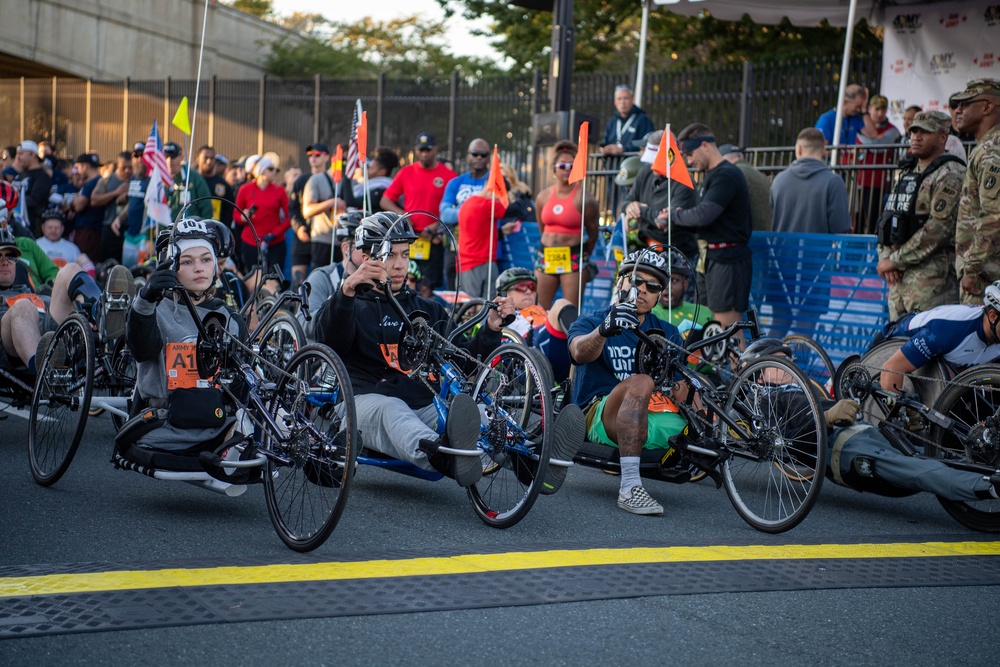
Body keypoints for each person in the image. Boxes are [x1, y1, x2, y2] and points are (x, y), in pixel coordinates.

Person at [314, 212, 511, 487]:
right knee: (392, 409)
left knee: (473, 408)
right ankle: (444, 456)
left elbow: (464, 363)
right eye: (391, 255)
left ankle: (528, 457)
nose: (399, 265)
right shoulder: (350, 303)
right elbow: (328, 344)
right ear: (368, 257)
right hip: (362, 406)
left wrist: (491, 329)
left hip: (422, 406)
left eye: (405, 255)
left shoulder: (429, 309)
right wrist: (347, 291)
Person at [568, 250, 684, 515]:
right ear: (619, 283)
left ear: (659, 295)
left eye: (651, 286)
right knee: (641, 382)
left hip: (652, 411)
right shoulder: (592, 320)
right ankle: (630, 487)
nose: (641, 289)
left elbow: (681, 389)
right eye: (634, 281)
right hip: (597, 414)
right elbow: (578, 352)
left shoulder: (669, 333)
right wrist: (603, 331)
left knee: (695, 416)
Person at [122, 218, 246, 466]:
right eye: (187, 262)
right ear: (171, 267)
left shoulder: (230, 319)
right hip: (163, 425)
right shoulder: (155, 310)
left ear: (216, 267)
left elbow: (240, 385)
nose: (199, 268)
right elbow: (141, 349)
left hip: (217, 425)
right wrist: (145, 299)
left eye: (206, 259)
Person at [875, 110, 965, 319]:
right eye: (914, 131)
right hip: (899, 280)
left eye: (925, 132)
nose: (916, 137)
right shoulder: (908, 172)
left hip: (932, 282)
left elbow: (937, 230)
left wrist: (895, 261)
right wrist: (886, 258)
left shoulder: (950, 173)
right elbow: (888, 219)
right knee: (895, 343)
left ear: (942, 137)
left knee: (926, 345)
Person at [670, 124, 752, 330]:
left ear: (705, 145)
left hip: (728, 260)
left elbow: (703, 216)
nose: (689, 161)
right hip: (711, 258)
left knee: (728, 329)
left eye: (690, 154)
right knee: (708, 326)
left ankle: (740, 364)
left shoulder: (726, 175)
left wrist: (674, 215)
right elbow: (705, 222)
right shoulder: (712, 175)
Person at [875, 283, 1000, 393]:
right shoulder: (950, 328)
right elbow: (891, 368)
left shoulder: (994, 332)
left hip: (948, 369)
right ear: (993, 316)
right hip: (888, 353)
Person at [380, 132, 457, 297]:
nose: (424, 154)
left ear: (435, 149)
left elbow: (455, 208)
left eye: (428, 150)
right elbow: (385, 200)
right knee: (406, 280)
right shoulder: (406, 172)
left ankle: (425, 319)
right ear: (415, 150)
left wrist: (436, 225)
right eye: (421, 150)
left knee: (428, 286)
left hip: (433, 239)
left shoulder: (449, 176)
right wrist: (404, 216)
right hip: (409, 238)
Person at [534, 140, 600, 309]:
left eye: (572, 165)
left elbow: (593, 233)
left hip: (573, 258)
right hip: (547, 256)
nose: (567, 169)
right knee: (539, 309)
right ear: (554, 168)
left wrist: (581, 254)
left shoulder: (586, 198)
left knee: (570, 311)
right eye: (562, 165)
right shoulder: (543, 196)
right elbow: (542, 228)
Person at [953, 78, 1000, 304]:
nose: (957, 110)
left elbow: (994, 216)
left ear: (987, 106)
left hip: (988, 277)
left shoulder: (994, 148)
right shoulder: (986, 145)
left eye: (965, 103)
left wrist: (972, 269)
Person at [620, 130, 697, 261]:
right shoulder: (645, 171)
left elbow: (665, 223)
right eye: (651, 161)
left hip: (676, 255)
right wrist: (630, 207)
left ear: (670, 158)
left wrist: (641, 210)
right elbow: (627, 201)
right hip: (644, 248)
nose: (652, 166)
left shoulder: (685, 183)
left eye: (656, 161)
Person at [496, 266, 578, 384]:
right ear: (505, 294)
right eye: (521, 287)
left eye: (532, 287)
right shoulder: (503, 320)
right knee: (562, 304)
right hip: (530, 358)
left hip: (560, 350)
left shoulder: (549, 313)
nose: (528, 291)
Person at [302, 211, 365, 342]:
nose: (371, 252)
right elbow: (304, 324)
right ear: (347, 248)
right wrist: (335, 309)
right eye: (364, 246)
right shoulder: (322, 278)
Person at [441, 139, 492, 291]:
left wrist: (464, 211)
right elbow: (445, 214)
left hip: (484, 250)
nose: (479, 158)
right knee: (454, 294)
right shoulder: (456, 183)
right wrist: (473, 212)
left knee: (483, 300)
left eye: (483, 155)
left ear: (488, 157)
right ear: (468, 155)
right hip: (455, 246)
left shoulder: (493, 182)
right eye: (475, 154)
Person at [855, 95, 903, 234]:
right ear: (869, 109)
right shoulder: (860, 127)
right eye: (876, 109)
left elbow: (878, 146)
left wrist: (860, 136)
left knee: (873, 222)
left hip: (878, 184)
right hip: (857, 182)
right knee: (855, 223)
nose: (880, 113)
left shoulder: (892, 130)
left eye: (883, 109)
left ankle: (872, 253)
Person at [233, 156, 290, 272]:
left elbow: (289, 218)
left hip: (275, 242)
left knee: (275, 278)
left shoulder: (279, 191)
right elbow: (235, 215)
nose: (275, 171)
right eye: (271, 169)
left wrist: (274, 233)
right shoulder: (245, 189)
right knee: (253, 278)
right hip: (250, 241)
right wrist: (243, 217)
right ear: (261, 171)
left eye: (275, 169)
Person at [301, 143, 348, 274]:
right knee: (321, 279)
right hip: (323, 239)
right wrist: (331, 202)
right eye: (343, 160)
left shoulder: (351, 181)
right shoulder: (316, 180)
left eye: (348, 161)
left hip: (344, 241)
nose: (345, 164)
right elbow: (307, 211)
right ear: (333, 159)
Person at [650, 250, 712, 341]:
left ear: (685, 284)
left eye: (674, 280)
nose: (668, 287)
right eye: (663, 280)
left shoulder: (704, 312)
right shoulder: (648, 315)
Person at [718, 144, 772, 233]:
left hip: (748, 237)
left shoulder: (733, 174)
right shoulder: (758, 174)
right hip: (766, 235)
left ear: (723, 159)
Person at [94, 152, 133, 264]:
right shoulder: (107, 180)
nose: (127, 171)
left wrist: (129, 194)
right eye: (123, 168)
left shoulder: (136, 181)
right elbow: (94, 199)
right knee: (109, 263)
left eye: (130, 168)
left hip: (130, 229)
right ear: (117, 165)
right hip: (110, 227)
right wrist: (115, 193)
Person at [68, 153, 106, 262]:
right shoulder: (97, 181)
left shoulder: (91, 184)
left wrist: (74, 202)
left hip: (88, 229)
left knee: (86, 261)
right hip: (92, 228)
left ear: (85, 166)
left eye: (78, 167)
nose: (78, 171)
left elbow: (79, 205)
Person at [164, 142, 212, 223]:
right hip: (164, 231)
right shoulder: (158, 180)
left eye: (173, 157)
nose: (169, 160)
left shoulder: (193, 178)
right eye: (166, 156)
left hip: (188, 231)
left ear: (181, 157)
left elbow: (206, 206)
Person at [600, 84, 654, 156]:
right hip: (612, 166)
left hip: (633, 165)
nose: (622, 102)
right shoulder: (612, 121)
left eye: (626, 98)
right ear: (615, 101)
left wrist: (624, 149)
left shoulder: (643, 120)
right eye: (619, 99)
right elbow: (604, 142)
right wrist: (604, 149)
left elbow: (648, 143)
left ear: (632, 99)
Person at [12, 140, 52, 234]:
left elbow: (34, 200)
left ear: (33, 155)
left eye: (21, 153)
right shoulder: (20, 175)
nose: (18, 157)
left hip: (32, 227)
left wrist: (13, 202)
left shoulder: (42, 176)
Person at [196, 145, 235, 227]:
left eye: (212, 158)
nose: (209, 161)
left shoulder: (223, 185)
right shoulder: (191, 181)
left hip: (215, 229)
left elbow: (229, 210)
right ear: (198, 160)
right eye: (205, 158)